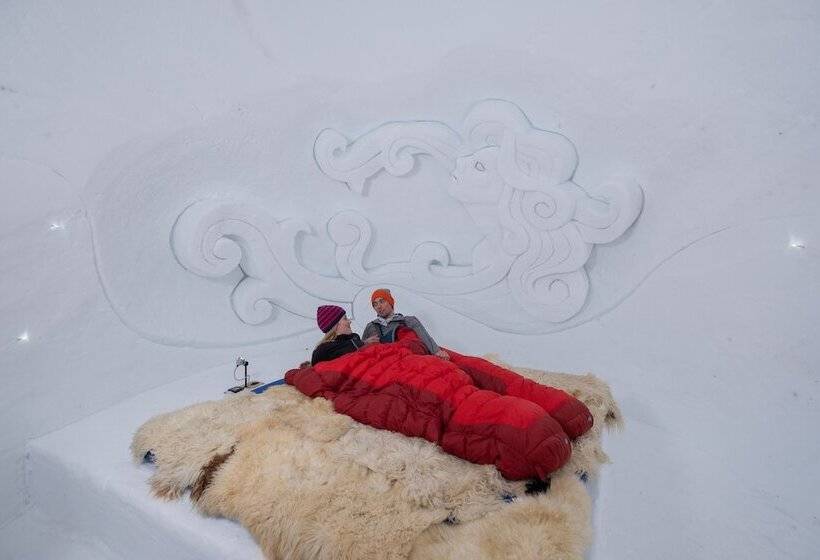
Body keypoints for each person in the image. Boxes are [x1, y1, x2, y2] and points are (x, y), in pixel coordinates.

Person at [362, 288, 450, 360]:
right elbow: (359, 352)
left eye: (382, 301)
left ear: (390, 302)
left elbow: (425, 338)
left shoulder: (408, 321)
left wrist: (437, 351)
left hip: (409, 360)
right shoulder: (371, 326)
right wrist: (365, 342)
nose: (379, 306)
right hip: (384, 365)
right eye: (375, 304)